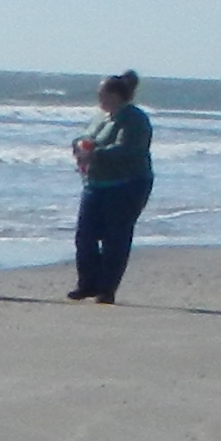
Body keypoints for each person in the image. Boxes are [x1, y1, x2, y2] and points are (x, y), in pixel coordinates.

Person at [69, 69, 155, 302]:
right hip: (95, 183)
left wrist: (95, 154)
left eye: (102, 93)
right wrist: (79, 146)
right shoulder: (100, 117)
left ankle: (107, 289)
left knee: (115, 237)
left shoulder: (134, 118)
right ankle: (87, 283)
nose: (99, 98)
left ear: (116, 95)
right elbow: (83, 137)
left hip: (127, 184)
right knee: (84, 236)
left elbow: (129, 150)